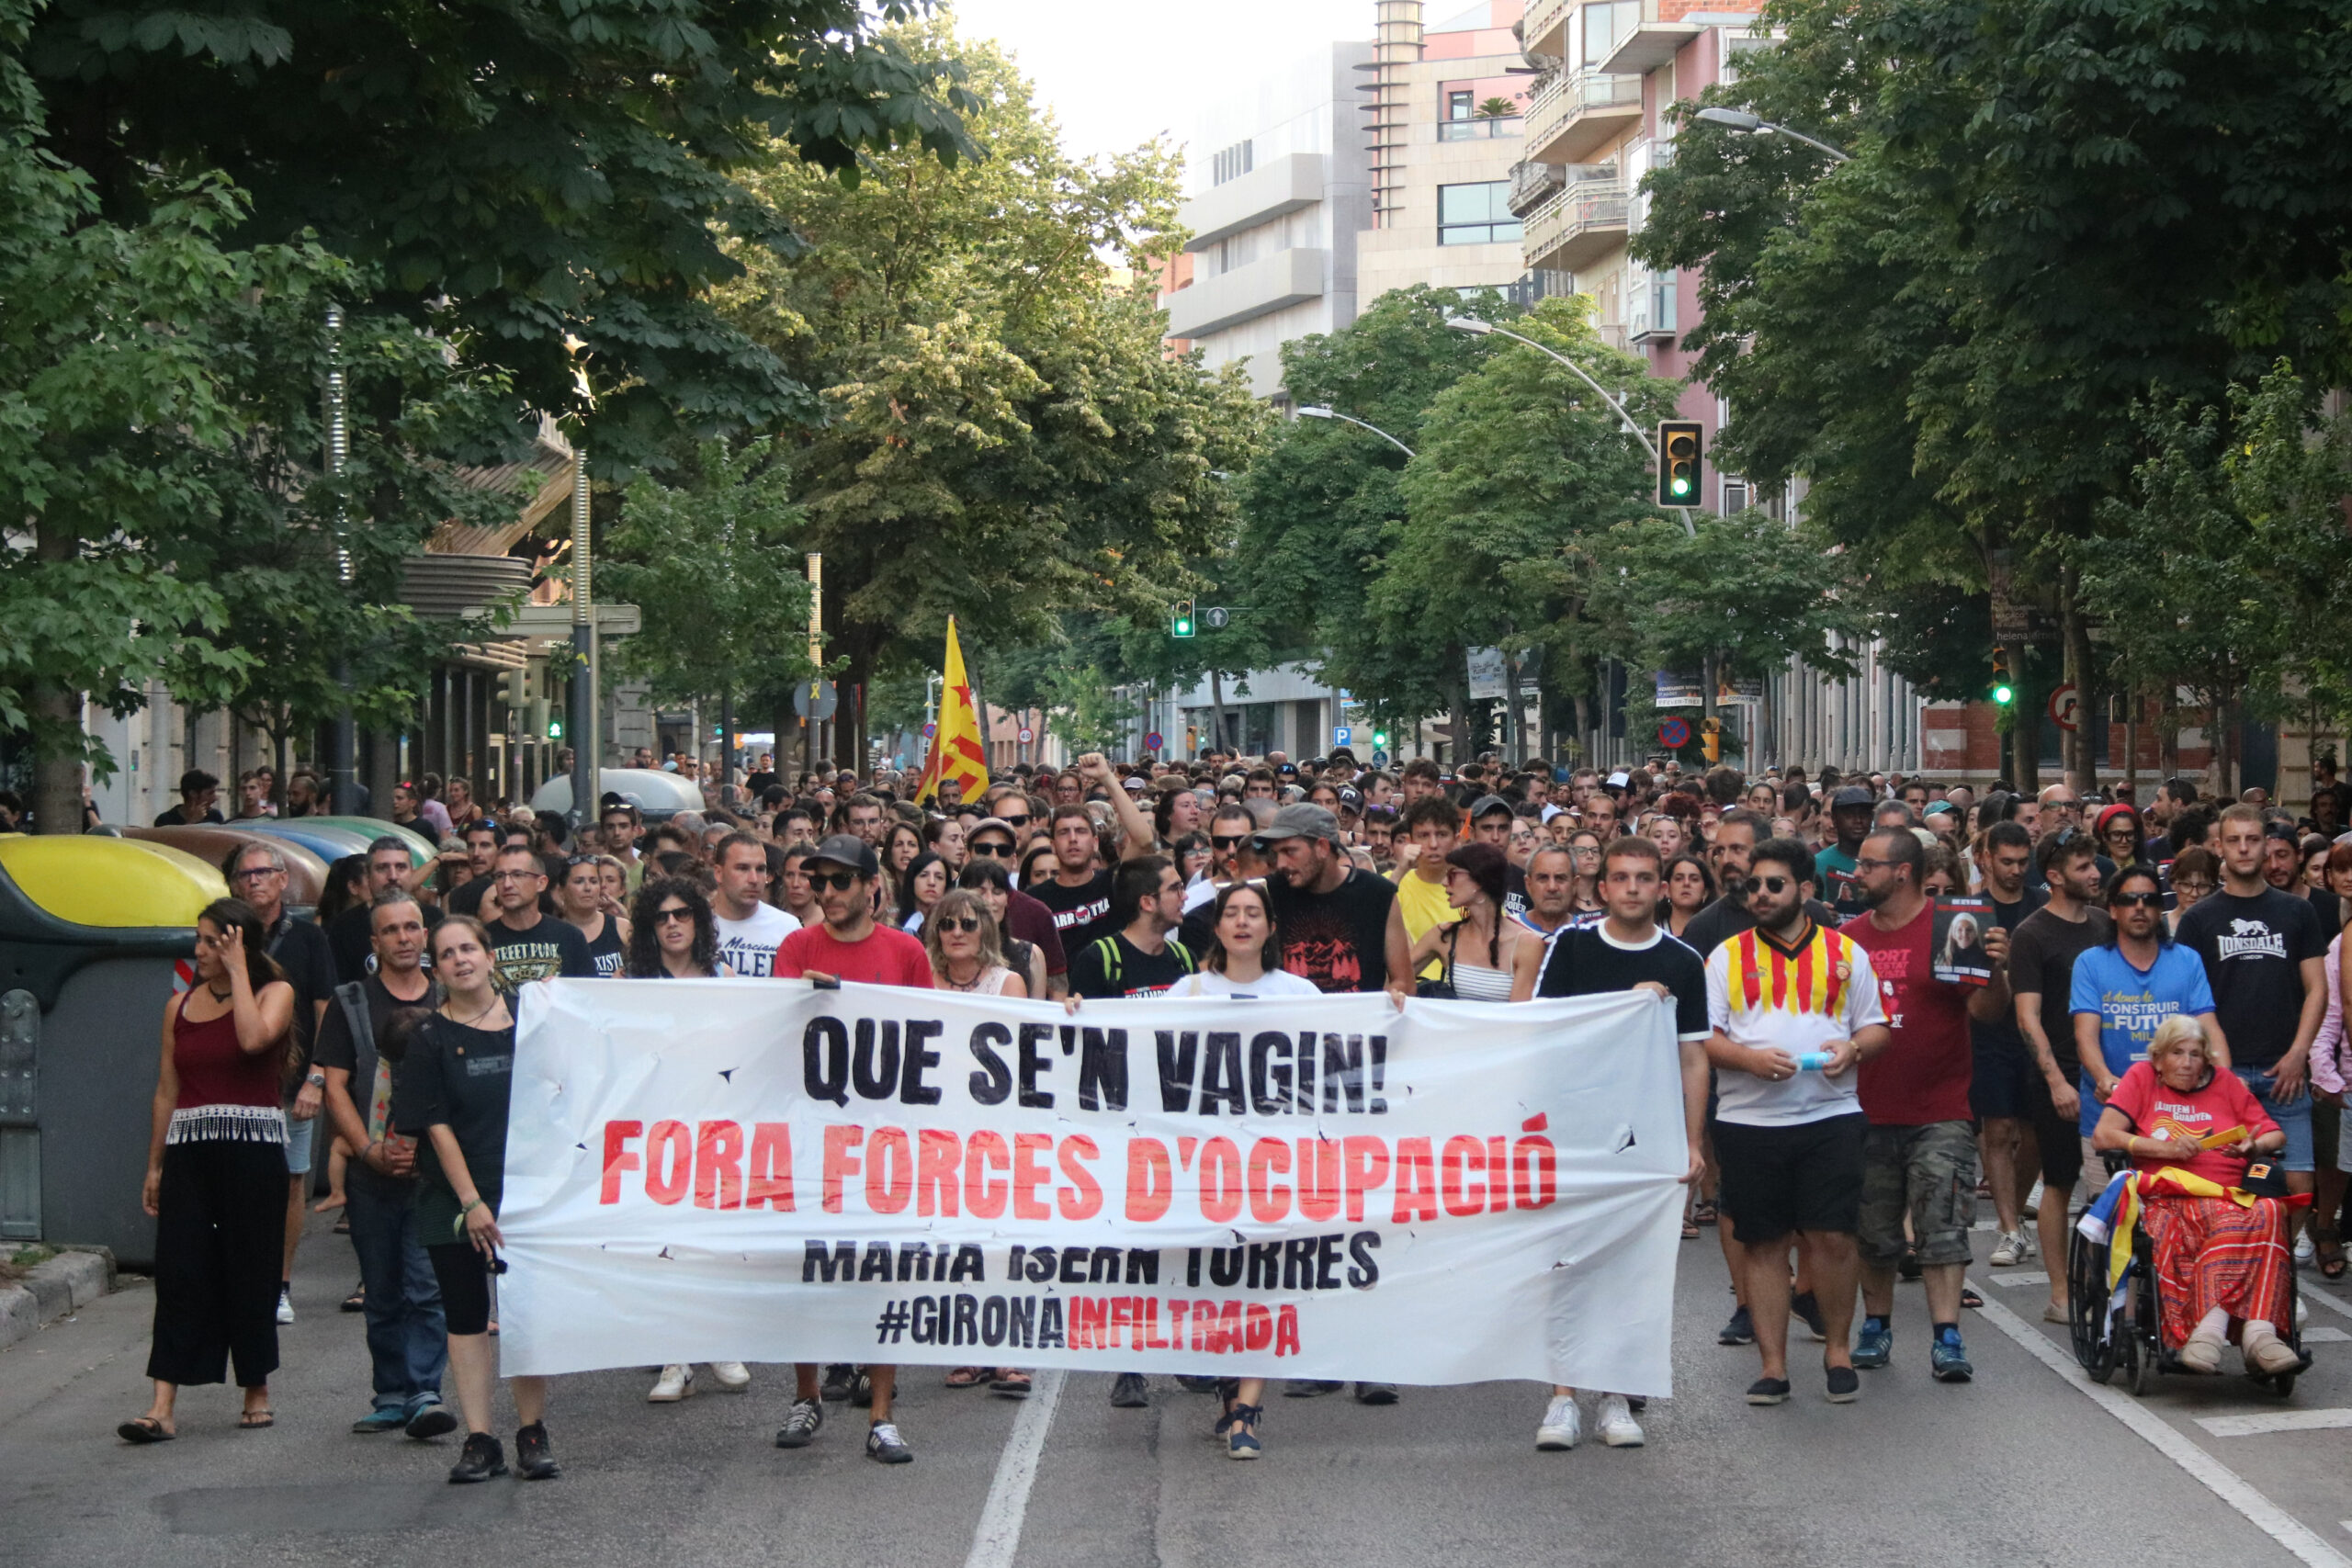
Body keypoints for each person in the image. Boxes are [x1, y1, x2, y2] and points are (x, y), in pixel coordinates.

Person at [1514, 835, 1709, 1449]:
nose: (1632, 888)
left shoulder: (1683, 961)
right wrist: (1624, 1005)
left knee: (1631, 1266)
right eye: (1621, 877)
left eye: (1644, 878)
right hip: (1575, 1131)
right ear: (1601, 888)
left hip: (1645, 1136)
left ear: (1661, 888)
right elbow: (1543, 1031)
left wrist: (1692, 1141)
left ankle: (1617, 1395)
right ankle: (1563, 1397)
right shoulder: (1572, 946)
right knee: (1567, 1264)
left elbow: (1694, 1057)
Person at [1702, 838, 1889, 1406]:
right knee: (1764, 1244)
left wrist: (1854, 1049)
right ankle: (1773, 1367)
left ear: (1805, 890)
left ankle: (1838, 1351)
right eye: (1753, 885)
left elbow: (1876, 1027)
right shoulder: (1725, 957)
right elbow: (1704, 1038)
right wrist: (1749, 1061)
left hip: (1830, 1115)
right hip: (1748, 1121)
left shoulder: (1846, 952)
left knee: (1834, 1237)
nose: (1760, 894)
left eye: (1774, 884)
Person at [772, 834, 932, 1463]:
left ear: (872, 886)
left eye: (840, 880)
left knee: (880, 1274)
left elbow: (929, 1033)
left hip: (883, 1137)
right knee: (806, 1268)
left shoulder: (906, 951)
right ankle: (805, 1395)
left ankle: (882, 1414)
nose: (827, 892)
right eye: (819, 881)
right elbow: (774, 1033)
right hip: (811, 1135)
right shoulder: (796, 947)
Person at [119, 898, 297, 1443]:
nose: (197, 950)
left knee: (251, 1270)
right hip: (190, 1152)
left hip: (252, 1151)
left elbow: (252, 1040)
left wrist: (240, 972)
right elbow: (166, 1090)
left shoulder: (275, 993)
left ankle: (256, 1391)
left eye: (209, 940)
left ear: (235, 942)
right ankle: (161, 1406)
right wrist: (155, 1165)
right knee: (180, 1271)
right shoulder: (178, 1006)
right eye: (197, 939)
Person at [1844, 827, 2011, 1382]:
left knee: (1943, 1228)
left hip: (1940, 1111)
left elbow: (1987, 1012)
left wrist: (1994, 970)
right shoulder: (1848, 940)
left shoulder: (1951, 926)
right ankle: (1876, 1326)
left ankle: (1947, 1337)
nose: (1857, 874)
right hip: (1865, 1109)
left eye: (1868, 865)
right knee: (1874, 1233)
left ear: (1902, 872)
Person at [394, 917, 559, 1483]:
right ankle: (480, 1438)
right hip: (453, 1199)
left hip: (528, 1195)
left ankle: (532, 1432)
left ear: (491, 957)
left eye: (468, 948)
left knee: (525, 1317)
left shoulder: (534, 1019)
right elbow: (435, 1126)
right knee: (465, 1317)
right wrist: (471, 1203)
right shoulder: (427, 1038)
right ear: (436, 969)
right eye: (446, 954)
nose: (460, 959)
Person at [312, 892, 454, 1438]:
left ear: (425, 934)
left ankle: (424, 1392)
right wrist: (368, 1150)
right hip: (371, 1175)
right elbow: (336, 1087)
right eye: (391, 930)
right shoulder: (350, 1002)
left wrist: (430, 1150)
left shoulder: (450, 996)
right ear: (375, 942)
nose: (403, 938)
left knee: (426, 1287)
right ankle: (391, 1394)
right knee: (382, 1287)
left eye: (411, 927)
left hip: (434, 1174)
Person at [2089, 1016, 2299, 1375]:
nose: (2187, 1063)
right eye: (2177, 1053)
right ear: (2158, 1058)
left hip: (2230, 1192)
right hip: (2169, 1193)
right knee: (2230, 1218)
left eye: (2195, 1054)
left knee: (2271, 1210)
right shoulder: (2141, 1079)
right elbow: (2104, 1135)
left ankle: (2258, 1333)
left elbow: (2274, 1134)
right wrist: (2164, 1149)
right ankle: (2214, 1329)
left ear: (2205, 1059)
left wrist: (2254, 1146)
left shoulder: (2226, 1083)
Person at [2176, 805, 2330, 1252]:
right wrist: (2216, 1069)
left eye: (2253, 839)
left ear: (2266, 846)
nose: (2244, 848)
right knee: (2224, 1187)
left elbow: (2317, 989)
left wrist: (2299, 1054)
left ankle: (2271, 1265)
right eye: (2234, 840)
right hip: (2222, 1075)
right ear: (2219, 847)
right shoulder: (2198, 919)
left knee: (2297, 1186)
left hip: (2286, 1073)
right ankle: (2234, 1268)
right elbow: (2188, 1003)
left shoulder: (2297, 912)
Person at [222, 842, 334, 1326]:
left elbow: (326, 1012)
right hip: (233, 1081)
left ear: (283, 879)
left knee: (289, 1181)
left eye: (263, 872)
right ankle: (236, 1280)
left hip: (291, 1083)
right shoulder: (225, 937)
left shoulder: (309, 938)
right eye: (245, 875)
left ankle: (279, 1285)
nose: (254, 881)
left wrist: (317, 1077)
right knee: (235, 1181)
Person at [1967, 821, 2047, 1269]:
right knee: (1997, 1130)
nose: (2016, 870)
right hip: (1989, 1032)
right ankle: (2009, 1228)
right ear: (1985, 859)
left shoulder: (2042, 906)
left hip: (2037, 1034)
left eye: (2022, 862)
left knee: (2035, 1134)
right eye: (2007, 862)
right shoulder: (1971, 908)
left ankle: (2013, 1213)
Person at [1256, 803, 1408, 999]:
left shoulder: (1378, 893)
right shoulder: (1268, 892)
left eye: (1290, 852)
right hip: (1288, 1017)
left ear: (1322, 847)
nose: (1281, 863)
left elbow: (1403, 981)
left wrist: (1389, 1000)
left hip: (1357, 1017)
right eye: (1276, 854)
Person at [1396, 842, 1525, 1003]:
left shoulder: (1526, 943)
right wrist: (1400, 871)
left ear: (1478, 880)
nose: (1444, 882)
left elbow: (1520, 1014)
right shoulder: (1444, 935)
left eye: (1452, 875)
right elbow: (1395, 981)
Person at [1068, 855, 1196, 1006]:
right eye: (1176, 889)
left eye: (1182, 887)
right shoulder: (1097, 960)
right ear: (1147, 903)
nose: (1185, 896)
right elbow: (1081, 1017)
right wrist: (1075, 1007)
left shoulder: (1185, 959)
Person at [481, 845, 595, 986]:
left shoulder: (570, 937)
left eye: (518, 875)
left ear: (541, 883)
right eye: (500, 876)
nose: (507, 884)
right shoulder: (482, 940)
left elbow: (589, 993)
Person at [1388, 795, 1464, 983]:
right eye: (1423, 835)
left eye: (1442, 834)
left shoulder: (1474, 890)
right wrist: (1400, 870)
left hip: (1456, 991)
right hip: (1404, 989)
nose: (1433, 844)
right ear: (1410, 841)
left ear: (1456, 840)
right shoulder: (1390, 882)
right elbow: (1372, 920)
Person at [707, 832, 798, 978]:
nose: (754, 879)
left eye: (761, 869)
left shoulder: (787, 927)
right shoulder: (693, 924)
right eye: (742, 868)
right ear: (718, 873)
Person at [924, 887, 1029, 998]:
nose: (957, 933)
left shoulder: (1008, 984)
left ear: (985, 931)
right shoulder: (923, 980)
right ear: (937, 933)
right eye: (947, 924)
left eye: (968, 924)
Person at [554, 855, 629, 977]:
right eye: (579, 881)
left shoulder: (622, 928)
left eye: (594, 881)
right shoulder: (551, 933)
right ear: (561, 891)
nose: (588, 888)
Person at [1814, 785, 1875, 917]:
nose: (1858, 820)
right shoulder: (1818, 863)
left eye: (1864, 814)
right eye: (1850, 815)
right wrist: (1818, 912)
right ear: (1835, 820)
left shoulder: (1883, 863)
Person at [894, 850, 950, 934]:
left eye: (939, 877)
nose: (931, 882)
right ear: (912, 880)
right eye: (924, 875)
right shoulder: (894, 925)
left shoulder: (953, 926)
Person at [1660, 852, 1714, 940]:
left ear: (1705, 892)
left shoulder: (1716, 932)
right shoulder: (1653, 931)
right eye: (1679, 879)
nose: (1686, 883)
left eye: (1694, 879)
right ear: (1667, 890)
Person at [153, 768, 225, 827]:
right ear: (193, 794)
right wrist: (192, 822)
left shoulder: (214, 816)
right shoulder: (165, 820)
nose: (215, 798)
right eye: (210, 793)